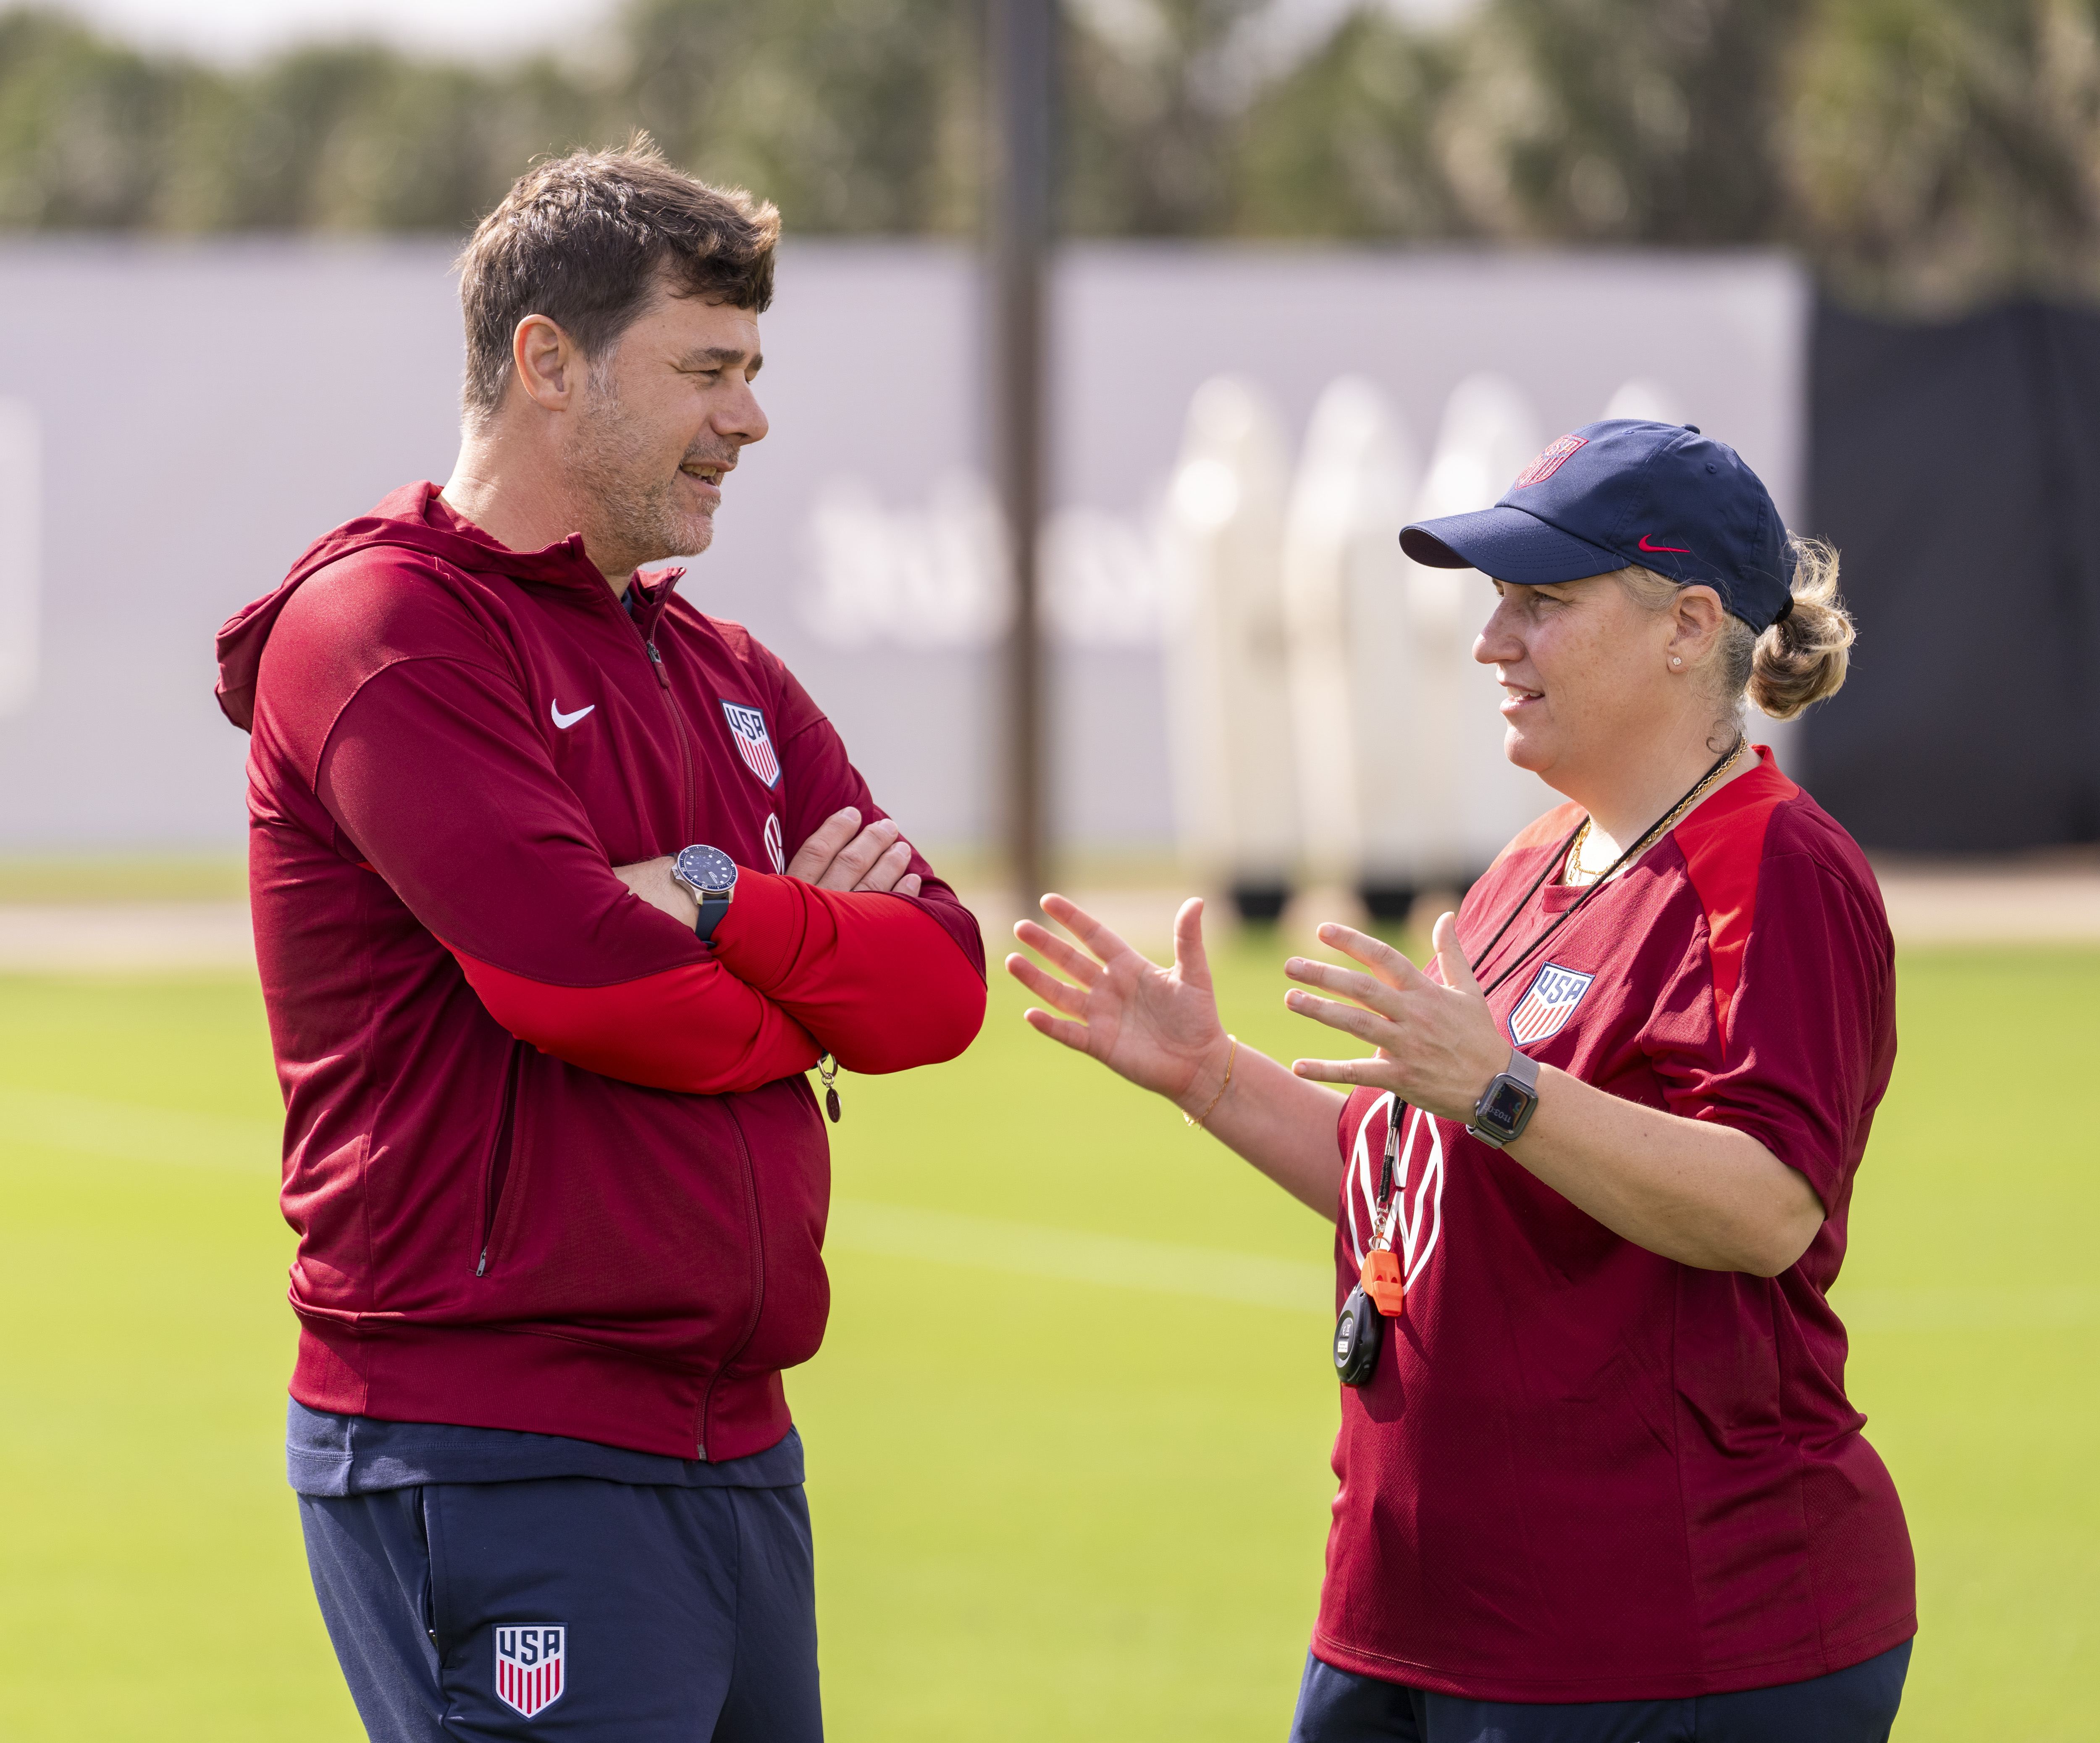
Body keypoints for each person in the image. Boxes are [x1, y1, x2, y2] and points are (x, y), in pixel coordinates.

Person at [213, 139, 987, 1742]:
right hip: (494, 1450)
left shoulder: (724, 666)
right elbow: (585, 985)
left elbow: (941, 983)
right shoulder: (386, 628)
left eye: (754, 370)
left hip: (734, 1445)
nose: (751, 418)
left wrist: (721, 904)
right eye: (706, 368)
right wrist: (806, 988)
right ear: (544, 362)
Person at [1008, 420, 1914, 1741]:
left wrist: (1507, 1089)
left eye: (1543, 604)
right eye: (1497, 602)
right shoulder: (1530, 863)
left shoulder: (1777, 871)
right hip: (1416, 1618)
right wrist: (1213, 1081)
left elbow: (1767, 1205)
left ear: (1688, 625)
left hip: (1663, 1638)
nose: (1492, 641)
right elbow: (1418, 1194)